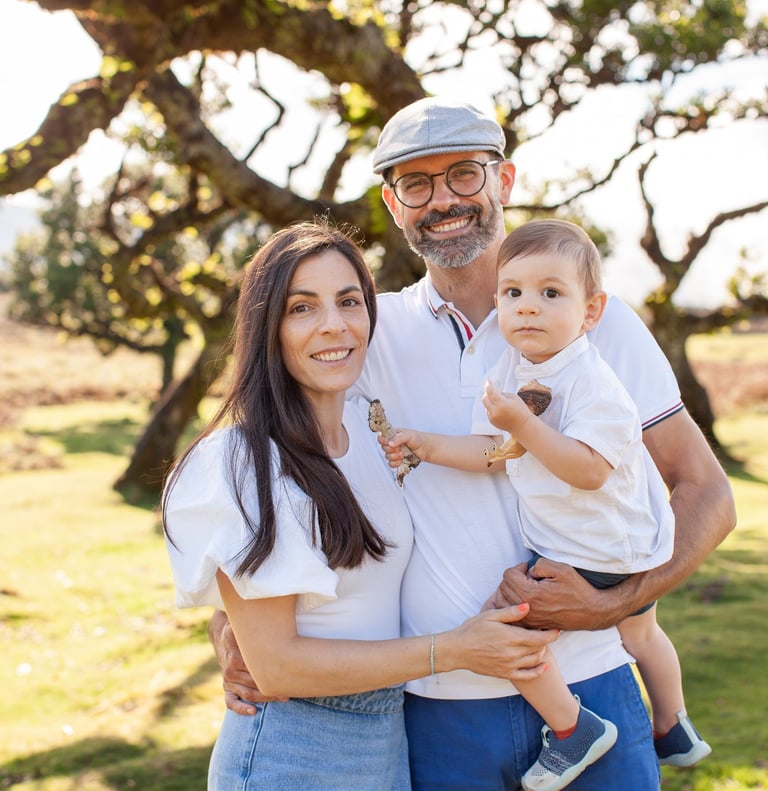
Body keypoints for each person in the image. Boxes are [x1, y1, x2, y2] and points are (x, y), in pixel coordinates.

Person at [209, 99, 736, 790]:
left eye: (464, 174)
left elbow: (709, 494)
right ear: (394, 205)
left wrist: (618, 600)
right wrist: (231, 623)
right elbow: (270, 459)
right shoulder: (367, 330)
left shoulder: (594, 324)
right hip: (436, 710)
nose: (443, 200)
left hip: (590, 687)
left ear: (505, 181)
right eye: (417, 184)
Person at [162, 220, 556, 790]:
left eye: (349, 301)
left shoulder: (368, 433)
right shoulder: (243, 459)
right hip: (293, 748)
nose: (334, 325)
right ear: (266, 327)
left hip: (386, 740)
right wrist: (457, 649)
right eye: (302, 308)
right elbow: (276, 667)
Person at [380, 219, 712, 790]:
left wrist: (522, 424)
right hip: (607, 543)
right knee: (642, 634)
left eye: (549, 294)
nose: (527, 308)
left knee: (508, 615)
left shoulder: (592, 380)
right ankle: (674, 724)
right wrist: (427, 445)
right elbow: (499, 449)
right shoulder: (517, 367)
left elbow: (585, 468)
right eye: (513, 295)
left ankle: (573, 729)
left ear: (590, 312)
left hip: (600, 549)